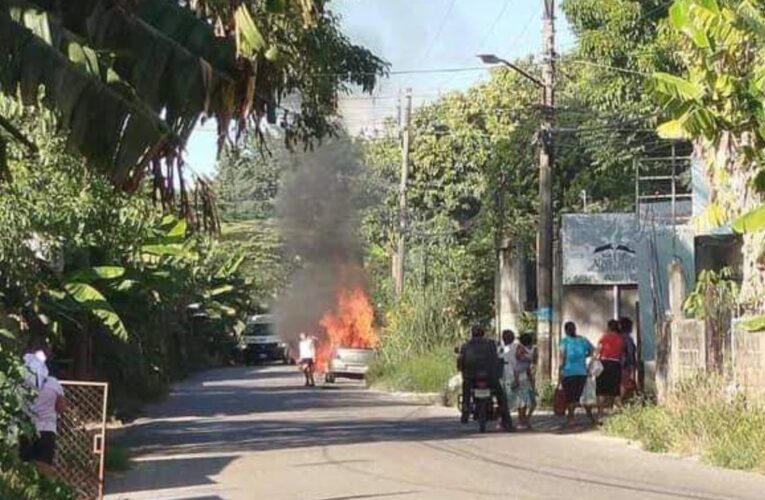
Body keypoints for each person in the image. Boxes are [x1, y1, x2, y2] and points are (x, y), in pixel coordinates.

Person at [19, 344, 66, 476]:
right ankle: (46, 492)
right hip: (47, 430)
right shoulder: (53, 383)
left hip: (26, 429)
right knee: (45, 466)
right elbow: (62, 407)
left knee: (26, 466)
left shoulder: (22, 383)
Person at [458, 325, 513, 430]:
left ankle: (465, 410)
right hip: (490, 377)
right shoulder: (491, 344)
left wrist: (463, 370)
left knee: (466, 390)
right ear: (483, 334)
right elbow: (498, 358)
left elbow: (460, 362)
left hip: (471, 377)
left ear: (472, 334)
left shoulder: (465, 346)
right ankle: (507, 420)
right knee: (501, 397)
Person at [558, 321, 596, 428]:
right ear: (575, 329)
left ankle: (571, 418)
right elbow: (593, 350)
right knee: (577, 396)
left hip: (568, 372)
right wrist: (585, 356)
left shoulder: (564, 342)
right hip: (581, 372)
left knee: (571, 397)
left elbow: (562, 359)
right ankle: (587, 417)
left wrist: (559, 372)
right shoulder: (583, 340)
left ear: (565, 331)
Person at [596, 319, 625, 423]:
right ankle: (624, 416)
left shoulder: (604, 337)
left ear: (608, 327)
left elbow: (598, 351)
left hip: (604, 364)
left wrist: (593, 363)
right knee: (616, 391)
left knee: (600, 391)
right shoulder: (620, 339)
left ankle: (600, 416)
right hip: (616, 365)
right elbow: (621, 354)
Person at [517, 333, 537, 428]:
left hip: (527, 376)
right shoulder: (520, 349)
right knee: (524, 401)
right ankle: (523, 421)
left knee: (530, 401)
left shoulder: (528, 349)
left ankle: (525, 420)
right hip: (523, 376)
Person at [619, 316, 638, 401]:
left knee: (622, 384)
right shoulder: (627, 338)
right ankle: (620, 402)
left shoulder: (618, 337)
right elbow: (630, 352)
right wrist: (633, 364)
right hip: (625, 364)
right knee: (624, 384)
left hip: (620, 364)